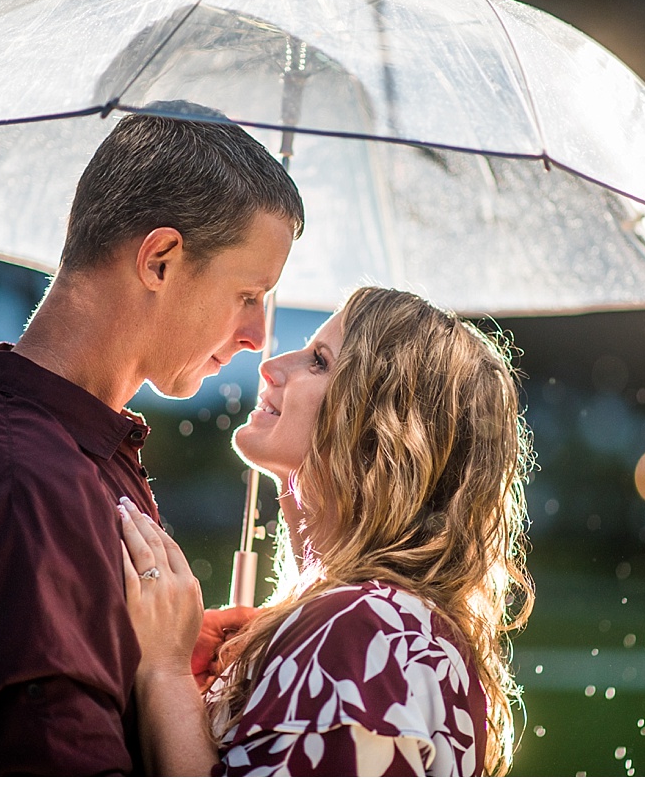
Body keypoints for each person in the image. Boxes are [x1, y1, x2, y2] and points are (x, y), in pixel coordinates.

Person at [0, 101, 305, 776]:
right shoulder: (29, 482)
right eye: (250, 293)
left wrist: (174, 656)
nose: (258, 338)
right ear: (159, 260)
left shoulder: (70, 455)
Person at [120, 286, 536, 777]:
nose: (270, 367)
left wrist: (163, 669)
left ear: (381, 429)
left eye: (319, 361)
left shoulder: (365, 632)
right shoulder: (381, 624)